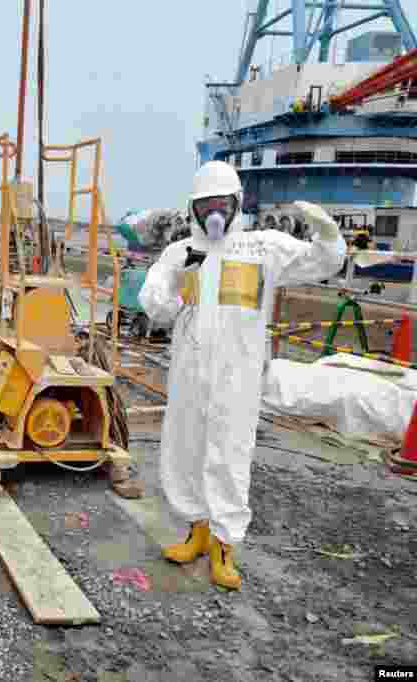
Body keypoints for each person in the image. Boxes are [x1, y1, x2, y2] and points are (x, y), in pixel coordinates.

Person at [138, 161, 346, 590]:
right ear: (194, 209)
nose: (215, 213)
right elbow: (154, 302)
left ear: (236, 205)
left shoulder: (261, 248)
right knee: (187, 448)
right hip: (191, 372)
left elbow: (319, 263)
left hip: (239, 374)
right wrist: (168, 291)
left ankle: (224, 546)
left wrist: (326, 233)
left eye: (222, 203)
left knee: (230, 456)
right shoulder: (180, 253)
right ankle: (196, 531)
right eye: (206, 205)